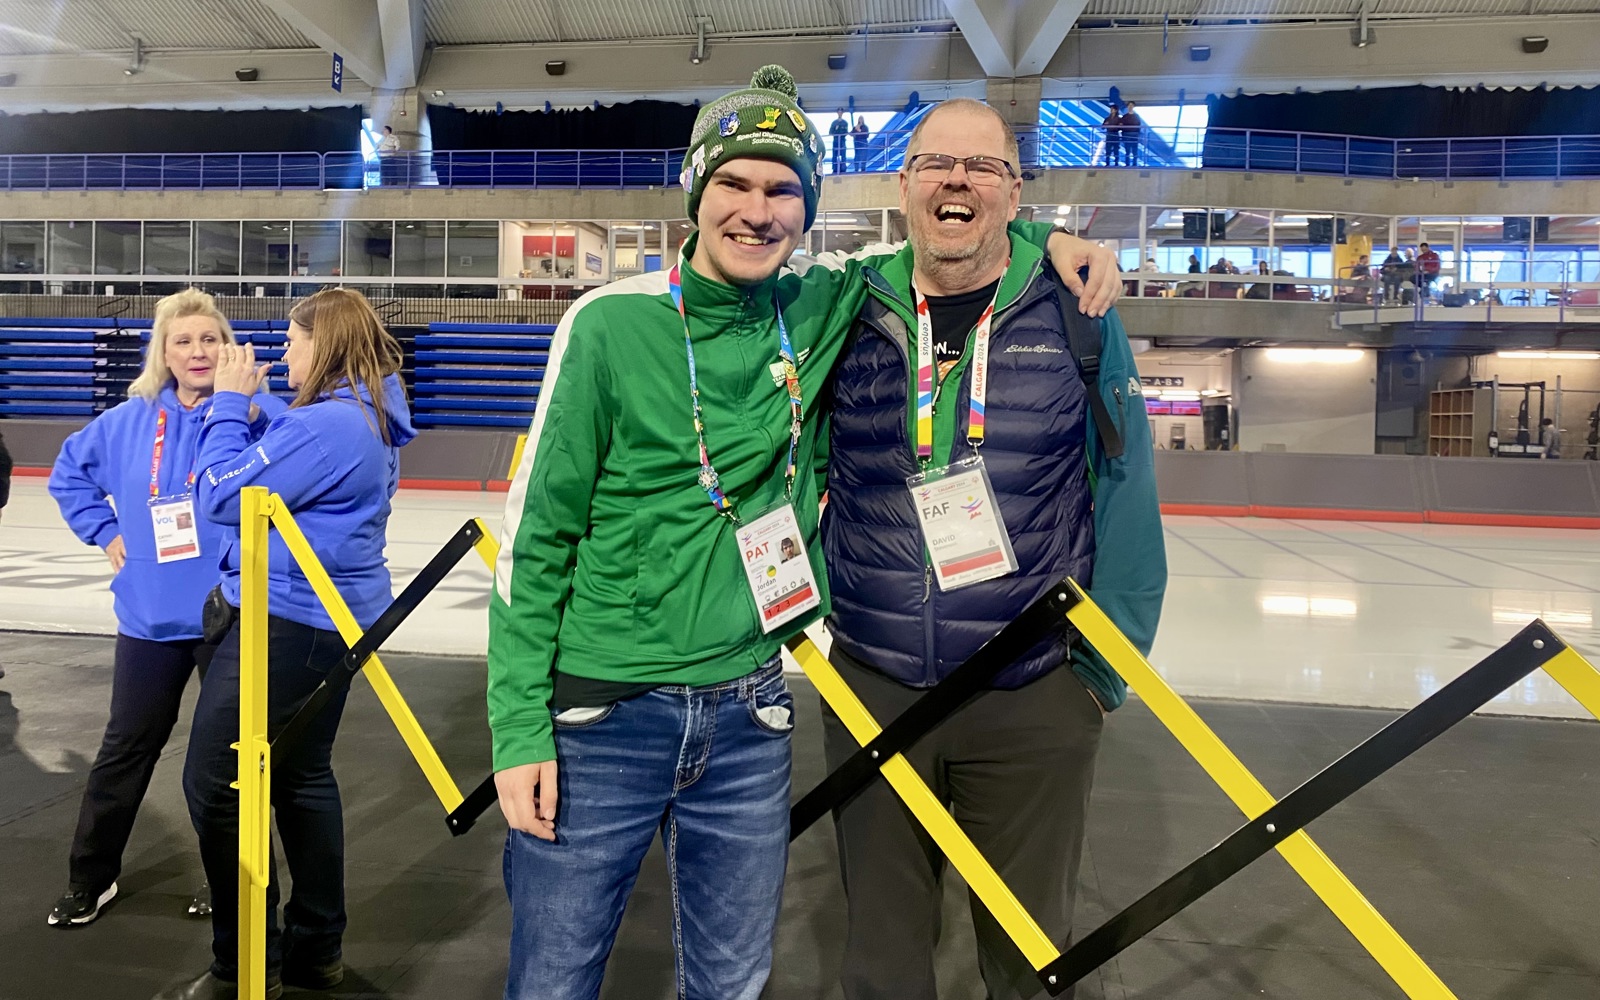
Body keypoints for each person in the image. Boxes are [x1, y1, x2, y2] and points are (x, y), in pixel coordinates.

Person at [488, 67, 1122, 1000]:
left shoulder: (819, 305)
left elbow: (956, 243)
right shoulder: (609, 326)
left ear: (809, 207)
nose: (758, 211)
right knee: (554, 977)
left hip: (751, 710)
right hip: (602, 712)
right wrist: (515, 731)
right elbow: (532, 544)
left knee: (734, 980)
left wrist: (1048, 237)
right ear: (697, 193)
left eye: (783, 188)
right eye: (734, 184)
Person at [818, 96, 1166, 1000]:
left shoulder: (1077, 310)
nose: (958, 181)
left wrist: (1098, 674)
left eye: (986, 168)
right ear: (903, 186)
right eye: (937, 164)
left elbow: (1125, 491)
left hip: (1030, 689)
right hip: (875, 685)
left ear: (1015, 193)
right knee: (883, 964)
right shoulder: (849, 305)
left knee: (1027, 964)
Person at [157, 288, 414, 1000]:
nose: (282, 356)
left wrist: (229, 406)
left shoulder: (328, 427)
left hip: (289, 621)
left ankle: (245, 960)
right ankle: (314, 950)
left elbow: (217, 494)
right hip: (329, 622)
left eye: (294, 343)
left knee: (214, 786)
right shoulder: (367, 414)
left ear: (323, 345)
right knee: (301, 780)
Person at [45, 289, 284, 930]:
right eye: (183, 341)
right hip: (150, 615)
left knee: (232, 761)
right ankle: (90, 879)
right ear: (164, 351)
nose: (197, 351)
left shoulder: (259, 415)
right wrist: (105, 530)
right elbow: (68, 472)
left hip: (229, 613)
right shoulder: (127, 421)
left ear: (228, 347)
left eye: (210, 339)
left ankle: (232, 886)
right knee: (124, 750)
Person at [1120, 101, 1144, 166]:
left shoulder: (1136, 116)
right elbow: (1121, 126)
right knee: (1127, 151)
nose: (1130, 107)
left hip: (1134, 135)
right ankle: (1127, 164)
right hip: (1126, 135)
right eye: (1129, 105)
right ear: (1127, 107)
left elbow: (1138, 125)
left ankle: (1134, 164)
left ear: (1133, 107)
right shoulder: (1124, 116)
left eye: (1131, 105)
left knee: (1134, 150)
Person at [831, 108, 850, 174]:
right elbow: (830, 132)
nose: (840, 113)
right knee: (835, 155)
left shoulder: (845, 123)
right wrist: (835, 130)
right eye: (839, 112)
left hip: (842, 140)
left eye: (841, 112)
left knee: (843, 154)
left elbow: (846, 132)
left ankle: (843, 168)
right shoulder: (834, 123)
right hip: (836, 140)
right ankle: (835, 168)